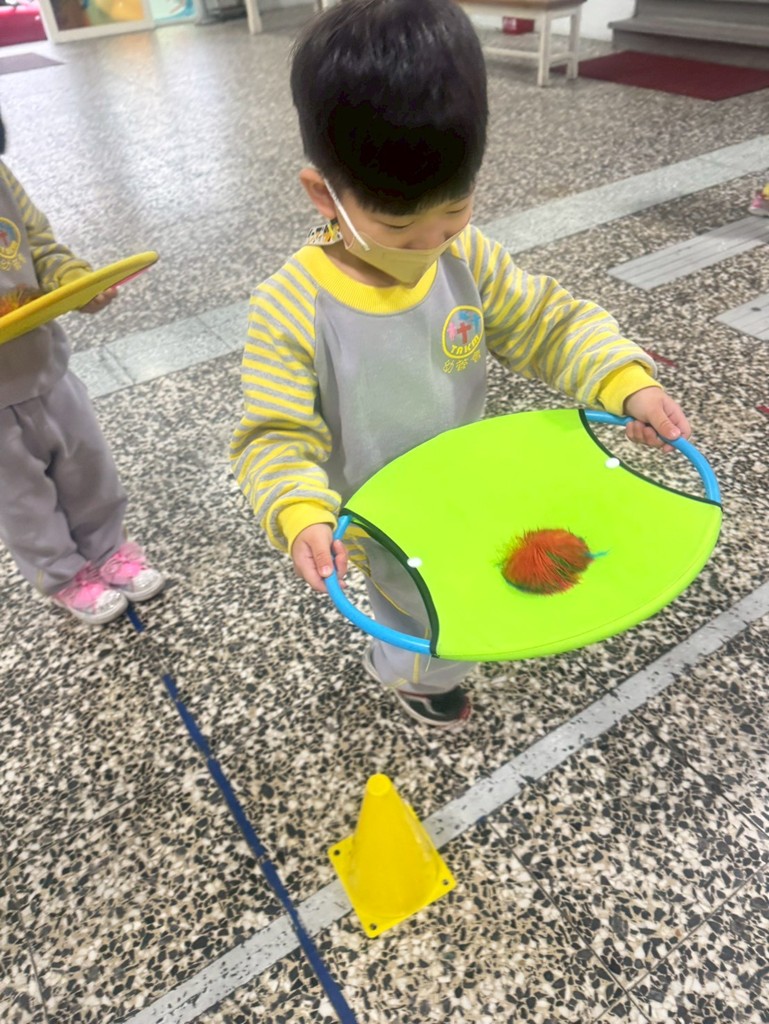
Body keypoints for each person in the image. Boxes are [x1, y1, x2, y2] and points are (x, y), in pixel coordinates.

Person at [230, 0, 691, 730]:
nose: (429, 244)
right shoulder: (290, 308)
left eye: (454, 210)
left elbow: (547, 322)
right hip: (380, 519)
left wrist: (623, 380)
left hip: (470, 485)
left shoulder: (465, 257)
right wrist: (298, 510)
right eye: (396, 223)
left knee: (469, 577)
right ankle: (411, 676)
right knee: (417, 615)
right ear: (324, 195)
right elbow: (274, 436)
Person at [0, 111, 164, 625]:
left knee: (88, 467)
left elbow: (40, 245)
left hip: (44, 362)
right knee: (23, 500)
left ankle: (108, 547)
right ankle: (64, 575)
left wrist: (75, 282)